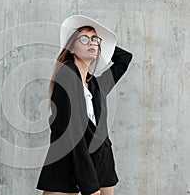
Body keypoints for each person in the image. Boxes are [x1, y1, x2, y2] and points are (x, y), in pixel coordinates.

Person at [36, 15, 133, 195]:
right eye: (84, 38)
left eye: (95, 39)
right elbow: (71, 133)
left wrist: (99, 45)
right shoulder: (66, 76)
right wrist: (89, 185)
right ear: (71, 47)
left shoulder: (97, 85)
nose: (92, 42)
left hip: (101, 160)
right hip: (69, 160)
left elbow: (124, 59)